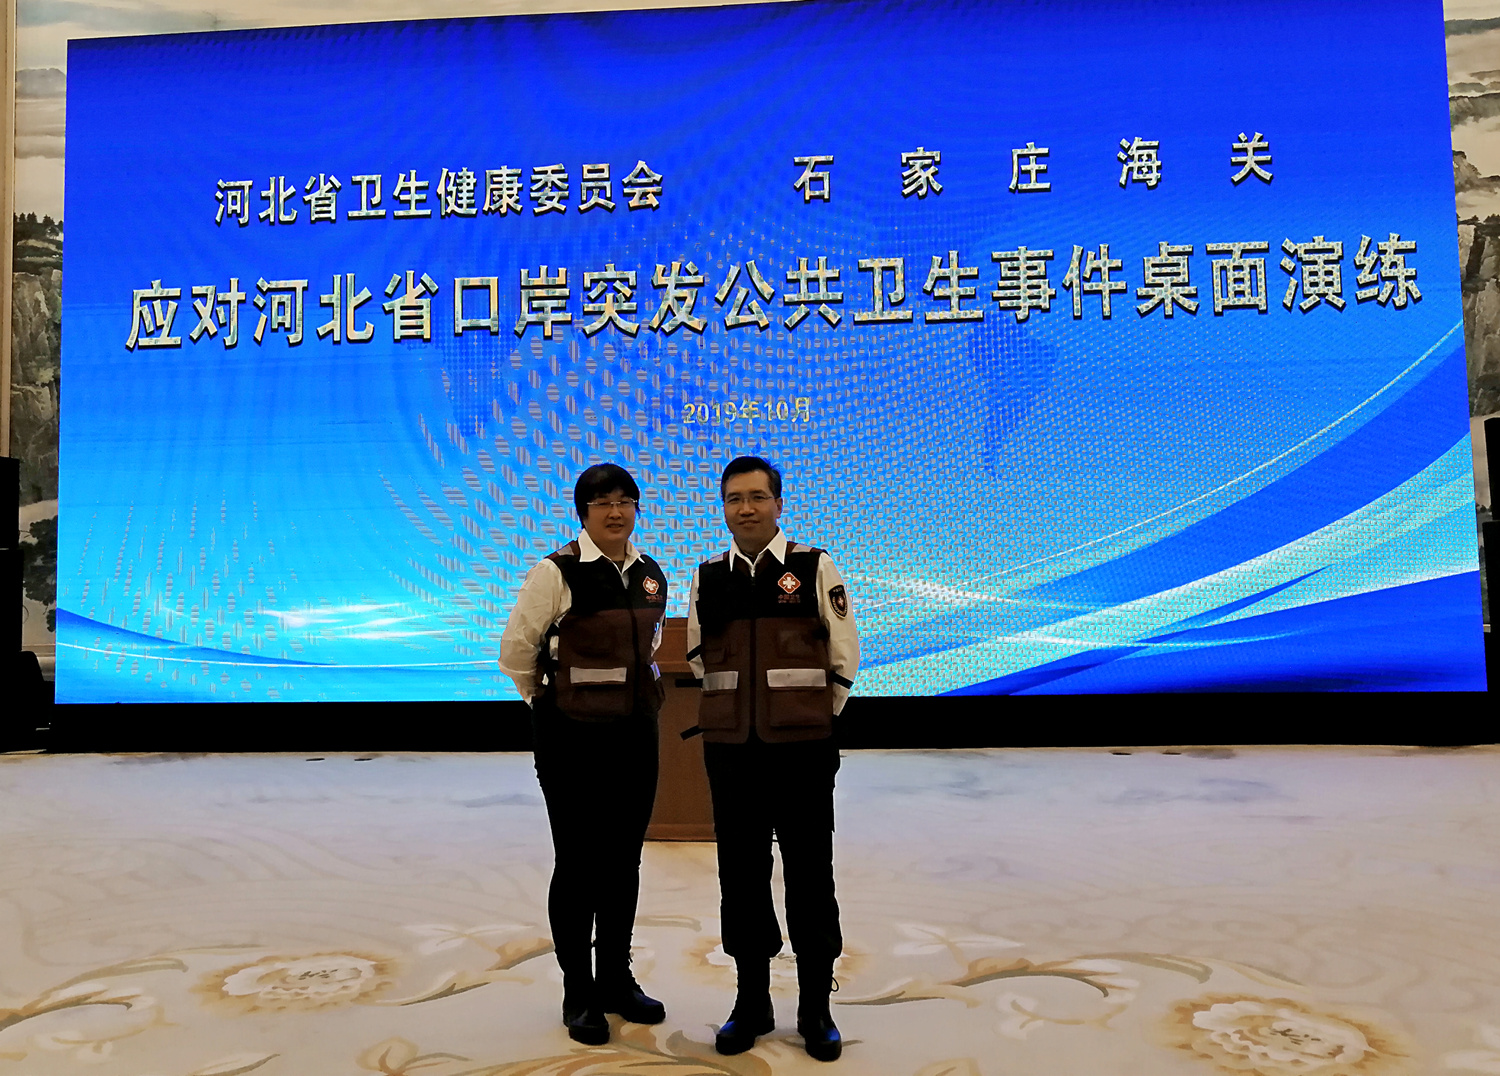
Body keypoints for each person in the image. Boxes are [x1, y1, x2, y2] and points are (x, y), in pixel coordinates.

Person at [685, 455, 860, 1062]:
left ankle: (815, 1006)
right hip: (732, 752)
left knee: (810, 871)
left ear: (778, 505)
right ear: (724, 508)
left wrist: (804, 716)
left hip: (802, 750)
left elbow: (843, 653)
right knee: (740, 873)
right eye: (734, 499)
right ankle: (751, 1000)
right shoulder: (709, 576)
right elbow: (699, 657)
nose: (746, 509)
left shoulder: (813, 567)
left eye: (757, 497)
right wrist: (742, 712)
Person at [498, 463, 669, 1045]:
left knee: (624, 861)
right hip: (570, 737)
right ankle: (579, 991)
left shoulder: (650, 574)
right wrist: (547, 703)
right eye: (602, 502)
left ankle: (616, 978)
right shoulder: (556, 572)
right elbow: (517, 651)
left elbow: (649, 649)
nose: (616, 512)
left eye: (625, 501)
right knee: (577, 863)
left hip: (635, 734)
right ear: (583, 513)